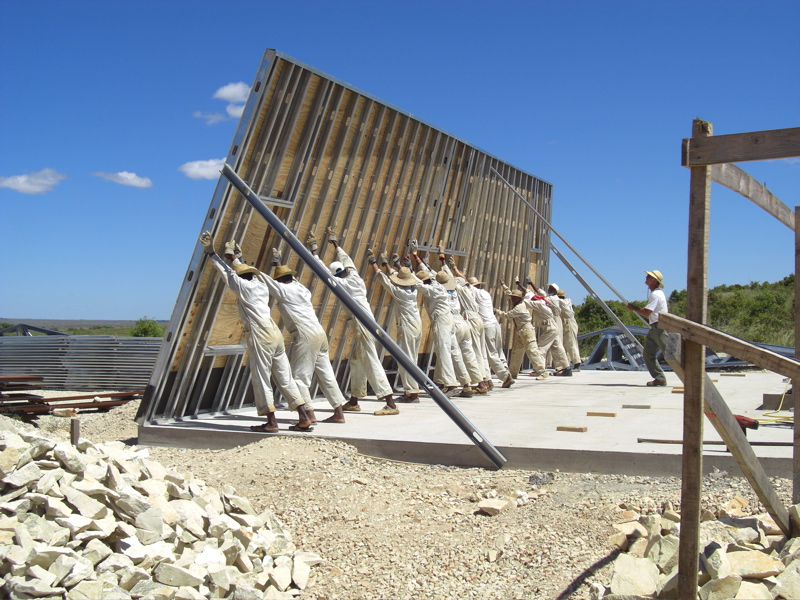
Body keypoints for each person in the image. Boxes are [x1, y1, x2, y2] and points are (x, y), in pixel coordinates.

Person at [199, 231, 313, 433]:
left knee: (261, 377)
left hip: (261, 335)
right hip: (275, 334)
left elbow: (227, 274)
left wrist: (212, 253)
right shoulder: (260, 285)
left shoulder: (242, 287)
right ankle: (303, 416)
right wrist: (237, 258)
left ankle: (271, 422)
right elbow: (243, 272)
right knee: (285, 377)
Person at [223, 242, 348, 424]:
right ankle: (338, 412)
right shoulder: (301, 289)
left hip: (305, 335)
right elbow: (282, 276)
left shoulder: (281, 290)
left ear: (279, 281)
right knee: (326, 374)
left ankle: (309, 414)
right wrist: (277, 262)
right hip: (319, 333)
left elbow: (259, 278)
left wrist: (236, 261)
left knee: (299, 378)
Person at [307, 227, 399, 415]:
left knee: (369, 359)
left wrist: (314, 252)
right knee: (357, 360)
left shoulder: (341, 285)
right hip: (368, 322)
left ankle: (390, 403)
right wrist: (335, 245)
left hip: (361, 323)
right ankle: (354, 400)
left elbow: (322, 271)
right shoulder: (354, 277)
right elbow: (346, 260)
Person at [408, 243, 470, 397]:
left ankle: (451, 384)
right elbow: (429, 272)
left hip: (442, 322)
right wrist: (416, 257)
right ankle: (466, 384)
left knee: (443, 351)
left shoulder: (431, 289)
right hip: (450, 320)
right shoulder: (439, 285)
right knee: (455, 352)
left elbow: (416, 283)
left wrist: (407, 269)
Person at [368, 249, 423, 403]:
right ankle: (413, 390)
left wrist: (374, 263)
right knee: (412, 358)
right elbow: (397, 278)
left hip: (407, 327)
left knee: (406, 359)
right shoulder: (413, 289)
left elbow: (385, 280)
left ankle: (411, 392)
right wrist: (388, 264)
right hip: (417, 325)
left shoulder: (400, 293)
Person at [441, 252, 493, 393]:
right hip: (477, 319)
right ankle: (486, 379)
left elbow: (450, 279)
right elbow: (461, 278)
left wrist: (444, 264)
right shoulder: (470, 289)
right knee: (479, 351)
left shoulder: (459, 289)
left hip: (469, 320)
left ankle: (480, 382)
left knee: (471, 352)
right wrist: (453, 266)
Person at [495, 288, 548, 380]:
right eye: (512, 298)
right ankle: (513, 373)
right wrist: (505, 288)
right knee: (516, 352)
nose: (512, 299)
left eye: (515, 298)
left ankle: (542, 372)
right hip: (522, 332)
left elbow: (507, 315)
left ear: (520, 299)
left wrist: (496, 311)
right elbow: (509, 296)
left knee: (532, 351)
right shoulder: (518, 304)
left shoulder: (519, 307)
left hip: (527, 331)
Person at [627, 270, 669, 386]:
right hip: (655, 327)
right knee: (648, 353)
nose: (646, 277)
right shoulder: (656, 293)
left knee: (670, 354)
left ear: (655, 281)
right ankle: (659, 378)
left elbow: (646, 312)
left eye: (649, 276)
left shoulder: (655, 295)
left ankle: (689, 376)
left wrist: (633, 308)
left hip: (659, 327)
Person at [472, 276, 515, 388]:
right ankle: (507, 372)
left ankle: (505, 376)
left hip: (487, 327)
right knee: (499, 352)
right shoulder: (486, 293)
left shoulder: (475, 292)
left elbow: (465, 285)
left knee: (491, 354)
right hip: (495, 325)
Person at [557, 289, 582, 371]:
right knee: (566, 344)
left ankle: (577, 364)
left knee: (571, 343)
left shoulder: (561, 302)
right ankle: (566, 365)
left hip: (569, 322)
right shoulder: (568, 300)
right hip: (569, 322)